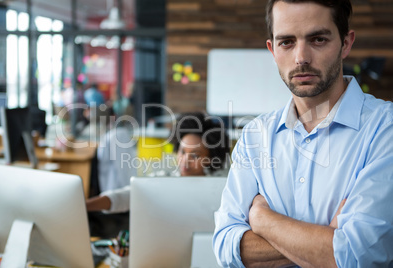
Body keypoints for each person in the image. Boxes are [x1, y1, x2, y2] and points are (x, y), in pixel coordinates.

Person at [213, 0, 393, 267]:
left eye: (318, 39)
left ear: (346, 43)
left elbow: (357, 256)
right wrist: (327, 239)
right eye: (286, 42)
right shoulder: (254, 136)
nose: (301, 58)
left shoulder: (385, 128)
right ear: (272, 50)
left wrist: (264, 220)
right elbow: (227, 249)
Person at [86, 112, 230, 213]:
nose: (185, 161)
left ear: (210, 159)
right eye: (182, 152)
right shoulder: (164, 177)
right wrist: (85, 205)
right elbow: (127, 195)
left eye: (195, 156)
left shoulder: (221, 188)